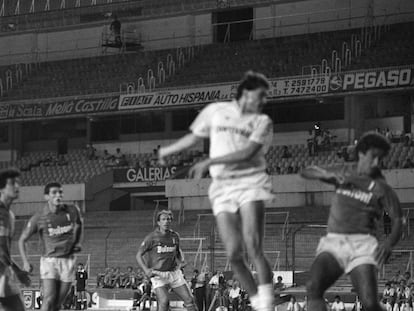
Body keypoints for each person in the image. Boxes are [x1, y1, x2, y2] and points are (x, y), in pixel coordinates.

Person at [159, 71, 275, 311]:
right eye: (260, 95)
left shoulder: (262, 121)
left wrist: (209, 162)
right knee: (234, 254)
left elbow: (247, 153)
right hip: (222, 188)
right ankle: (258, 302)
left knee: (253, 246)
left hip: (249, 183)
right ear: (246, 92)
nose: (263, 101)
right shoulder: (216, 111)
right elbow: (194, 136)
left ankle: (267, 304)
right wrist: (168, 150)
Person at [301, 132, 403, 311]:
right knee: (313, 287)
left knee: (370, 303)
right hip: (334, 242)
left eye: (381, 159)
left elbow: (398, 220)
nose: (377, 163)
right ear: (361, 154)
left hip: (362, 245)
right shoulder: (343, 171)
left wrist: (388, 243)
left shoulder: (381, 187)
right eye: (374, 157)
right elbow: (306, 171)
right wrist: (325, 174)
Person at [18, 182, 84, 311]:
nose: (58, 195)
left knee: (58, 304)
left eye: (60, 192)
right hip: (49, 261)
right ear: (46, 197)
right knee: (48, 299)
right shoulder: (39, 217)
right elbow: (22, 240)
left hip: (68, 261)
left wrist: (77, 242)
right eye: (54, 192)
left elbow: (79, 223)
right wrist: (25, 262)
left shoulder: (72, 210)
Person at [136, 210, 196, 311]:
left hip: (174, 273)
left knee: (189, 300)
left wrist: (181, 261)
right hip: (158, 274)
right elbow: (138, 255)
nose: (166, 222)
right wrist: (146, 270)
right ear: (158, 222)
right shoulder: (152, 237)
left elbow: (177, 252)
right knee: (164, 302)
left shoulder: (174, 236)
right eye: (163, 219)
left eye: (168, 219)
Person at [0, 169, 31, 311]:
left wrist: (15, 270)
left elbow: (3, 249)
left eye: (18, 183)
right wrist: (16, 270)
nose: (17, 186)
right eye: (12, 183)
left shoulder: (10, 215)